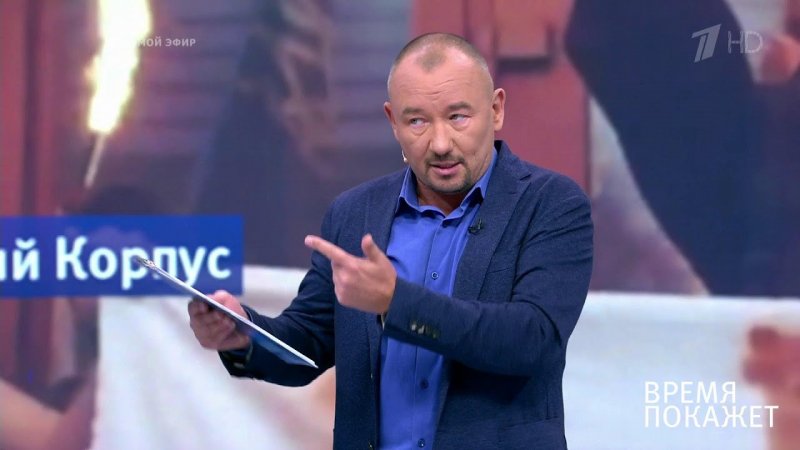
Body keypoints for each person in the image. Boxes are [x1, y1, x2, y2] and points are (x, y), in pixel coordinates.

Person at [189, 32, 593, 449]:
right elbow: (308, 343)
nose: (440, 144)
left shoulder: (551, 203)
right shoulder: (354, 213)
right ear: (392, 122)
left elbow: (532, 341)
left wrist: (395, 302)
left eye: (458, 117)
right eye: (417, 121)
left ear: (496, 110)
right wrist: (245, 333)